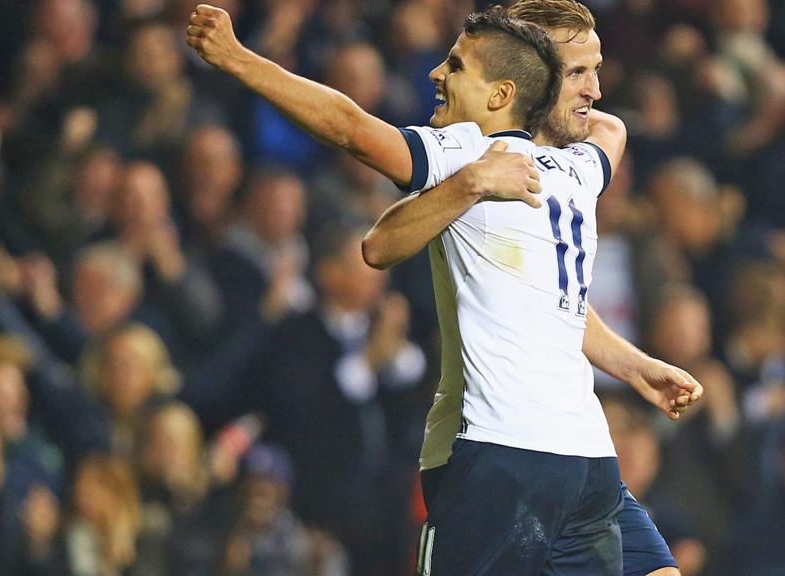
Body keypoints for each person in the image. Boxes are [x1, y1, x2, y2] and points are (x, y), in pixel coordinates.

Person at [187, 2, 703, 574]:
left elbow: (352, 131)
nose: (595, 91)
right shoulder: (575, 168)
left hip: (501, 449)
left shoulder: (476, 150)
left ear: (507, 87)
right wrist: (473, 181)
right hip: (582, 458)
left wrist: (237, 59)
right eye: (579, 73)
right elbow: (381, 245)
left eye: (454, 66)